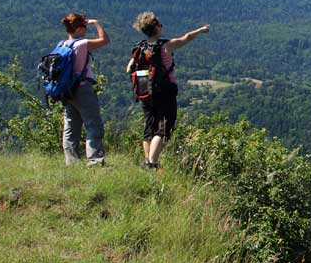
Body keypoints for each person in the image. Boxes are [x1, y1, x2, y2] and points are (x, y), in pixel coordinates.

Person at [127, 12, 210, 168]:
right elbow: (186, 38)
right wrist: (200, 30)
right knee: (164, 127)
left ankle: (147, 161)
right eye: (160, 24)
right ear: (157, 27)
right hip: (165, 91)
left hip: (145, 91)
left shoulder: (140, 47)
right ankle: (152, 163)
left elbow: (129, 69)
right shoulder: (166, 46)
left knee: (149, 126)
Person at [59, 12, 110, 166]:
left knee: (70, 127)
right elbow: (105, 40)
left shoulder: (62, 44)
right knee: (93, 124)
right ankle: (95, 160)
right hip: (82, 88)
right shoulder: (82, 44)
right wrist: (96, 23)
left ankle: (71, 162)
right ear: (79, 28)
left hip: (67, 90)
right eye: (85, 26)